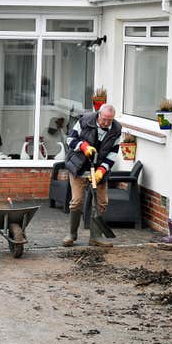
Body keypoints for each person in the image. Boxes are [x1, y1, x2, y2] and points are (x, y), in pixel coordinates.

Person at [63, 104, 121, 247]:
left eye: (110, 120)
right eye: (104, 119)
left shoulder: (116, 129)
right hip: (79, 166)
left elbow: (113, 153)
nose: (106, 123)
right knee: (77, 201)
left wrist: (102, 170)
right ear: (98, 114)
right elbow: (70, 140)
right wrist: (83, 147)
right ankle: (72, 234)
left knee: (101, 203)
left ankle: (95, 237)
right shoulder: (85, 121)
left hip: (98, 169)